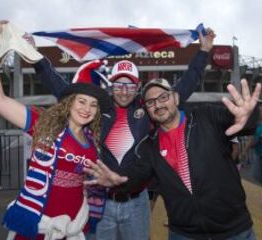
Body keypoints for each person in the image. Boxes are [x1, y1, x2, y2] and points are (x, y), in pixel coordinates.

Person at [30, 26, 216, 240]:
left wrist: (203, 51)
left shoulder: (147, 109)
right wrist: (36, 58)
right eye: (119, 84)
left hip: (137, 203)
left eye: (130, 85)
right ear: (111, 86)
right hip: (100, 203)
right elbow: (61, 89)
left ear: (137, 87)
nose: (124, 90)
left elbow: (183, 88)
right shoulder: (98, 111)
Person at [0, 20, 112, 240]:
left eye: (93, 104)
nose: (87, 109)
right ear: (69, 102)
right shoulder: (44, 123)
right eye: (81, 101)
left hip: (73, 229)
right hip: (36, 227)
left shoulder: (93, 139)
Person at [84, 78, 261, 240]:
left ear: (176, 98)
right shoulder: (149, 146)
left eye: (163, 97)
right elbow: (139, 173)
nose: (158, 105)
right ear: (147, 109)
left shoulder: (206, 117)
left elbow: (241, 123)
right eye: (151, 102)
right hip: (184, 234)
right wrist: (119, 180)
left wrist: (248, 116)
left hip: (234, 231)